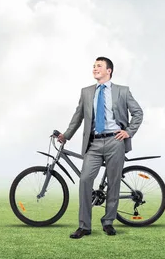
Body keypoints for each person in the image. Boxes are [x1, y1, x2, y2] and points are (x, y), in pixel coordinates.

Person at [58, 56, 143, 239]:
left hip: (115, 142)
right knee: (85, 180)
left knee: (114, 183)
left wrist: (128, 132)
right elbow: (78, 117)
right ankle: (84, 226)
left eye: (99, 66)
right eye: (94, 66)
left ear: (108, 70)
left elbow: (138, 113)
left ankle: (108, 222)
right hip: (94, 143)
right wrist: (66, 135)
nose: (95, 68)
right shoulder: (87, 92)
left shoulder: (123, 91)